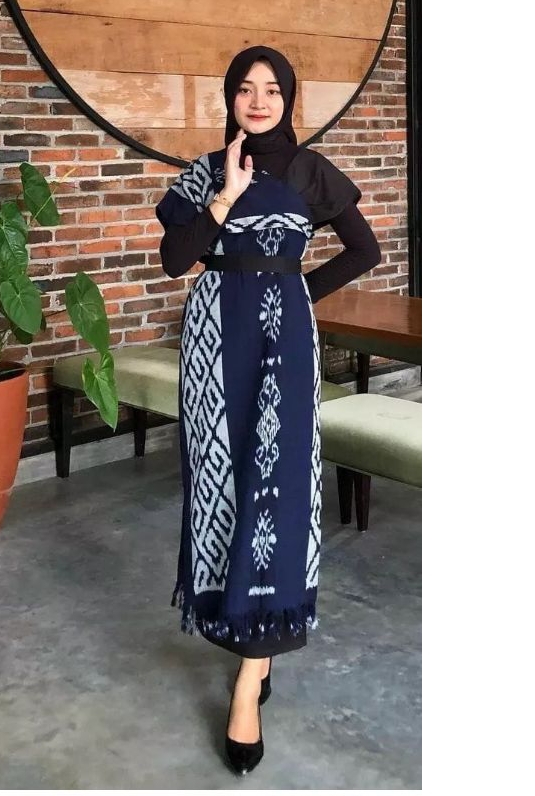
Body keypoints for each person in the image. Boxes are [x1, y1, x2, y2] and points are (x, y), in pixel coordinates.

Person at [155, 45, 381, 775]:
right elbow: (175, 259)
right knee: (222, 488)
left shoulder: (310, 171)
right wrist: (224, 195)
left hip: (285, 342)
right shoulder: (204, 171)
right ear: (230, 98)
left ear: (288, 98)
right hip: (214, 340)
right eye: (245, 89)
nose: (258, 100)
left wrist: (291, 289)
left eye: (272, 89)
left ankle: (250, 679)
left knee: (278, 492)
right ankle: (242, 630)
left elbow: (364, 249)